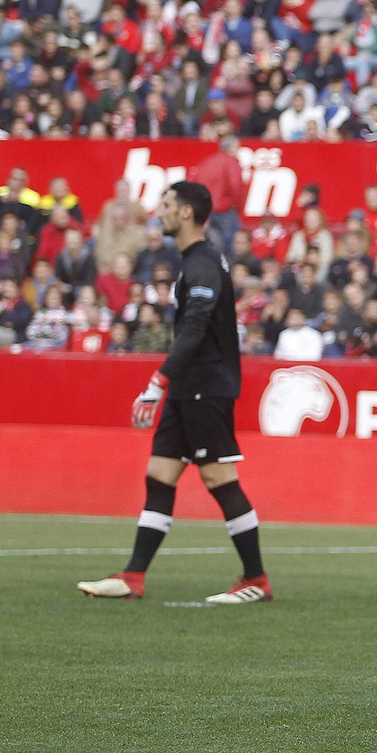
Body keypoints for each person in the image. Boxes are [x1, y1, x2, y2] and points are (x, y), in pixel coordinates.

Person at [77, 181, 272, 605]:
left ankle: (256, 580)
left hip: (205, 387)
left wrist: (158, 380)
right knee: (160, 475)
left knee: (219, 478)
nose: (158, 211)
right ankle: (133, 576)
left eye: (166, 205)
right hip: (189, 389)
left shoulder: (202, 264)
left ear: (186, 213)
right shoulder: (192, 263)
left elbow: (196, 328)